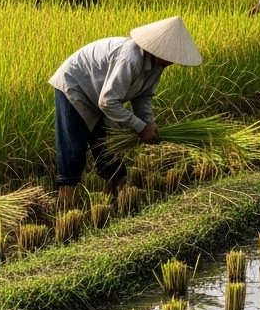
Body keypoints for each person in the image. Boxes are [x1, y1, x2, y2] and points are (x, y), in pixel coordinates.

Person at [48, 16, 203, 210]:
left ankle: (114, 201)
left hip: (100, 93)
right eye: (170, 55)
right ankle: (65, 204)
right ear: (158, 49)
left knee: (108, 145)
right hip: (75, 86)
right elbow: (107, 102)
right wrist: (140, 128)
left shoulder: (157, 64)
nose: (172, 61)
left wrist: (149, 123)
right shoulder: (131, 59)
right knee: (74, 147)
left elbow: (143, 96)